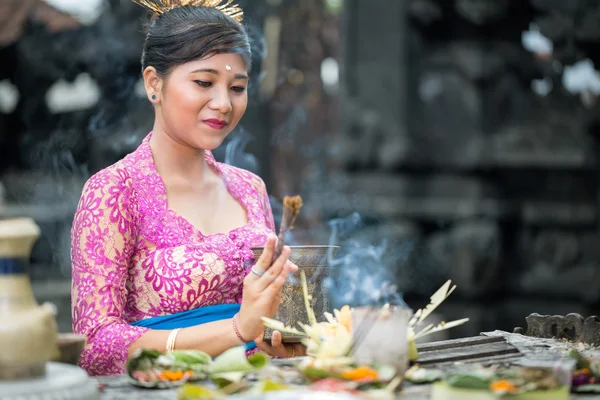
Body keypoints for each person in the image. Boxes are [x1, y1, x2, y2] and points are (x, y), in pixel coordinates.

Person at [70, 0, 305, 376]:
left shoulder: (249, 187)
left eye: (237, 87)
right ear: (154, 83)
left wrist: (281, 335)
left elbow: (263, 324)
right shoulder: (114, 191)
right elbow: (94, 346)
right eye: (203, 82)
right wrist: (234, 330)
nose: (223, 103)